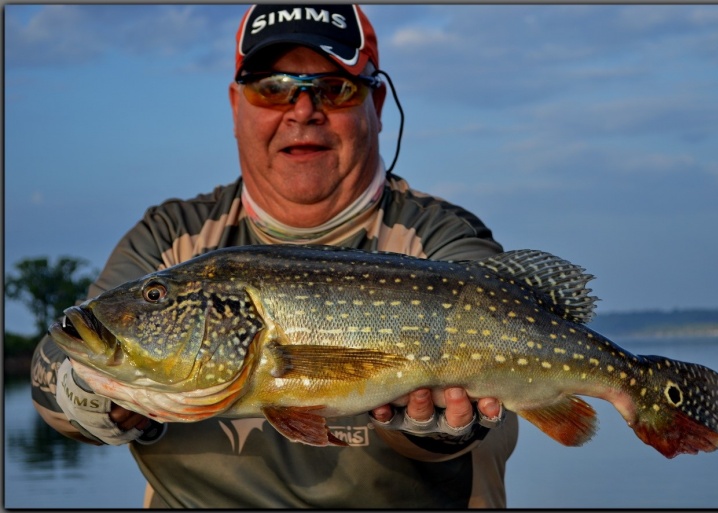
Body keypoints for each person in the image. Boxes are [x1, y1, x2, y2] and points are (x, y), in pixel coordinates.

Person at [31, 4, 518, 508]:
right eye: (271, 87)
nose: (302, 110)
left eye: (335, 88)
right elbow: (57, 362)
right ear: (235, 104)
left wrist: (435, 431)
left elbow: (506, 392)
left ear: (376, 102)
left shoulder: (442, 241)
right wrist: (88, 397)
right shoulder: (172, 237)